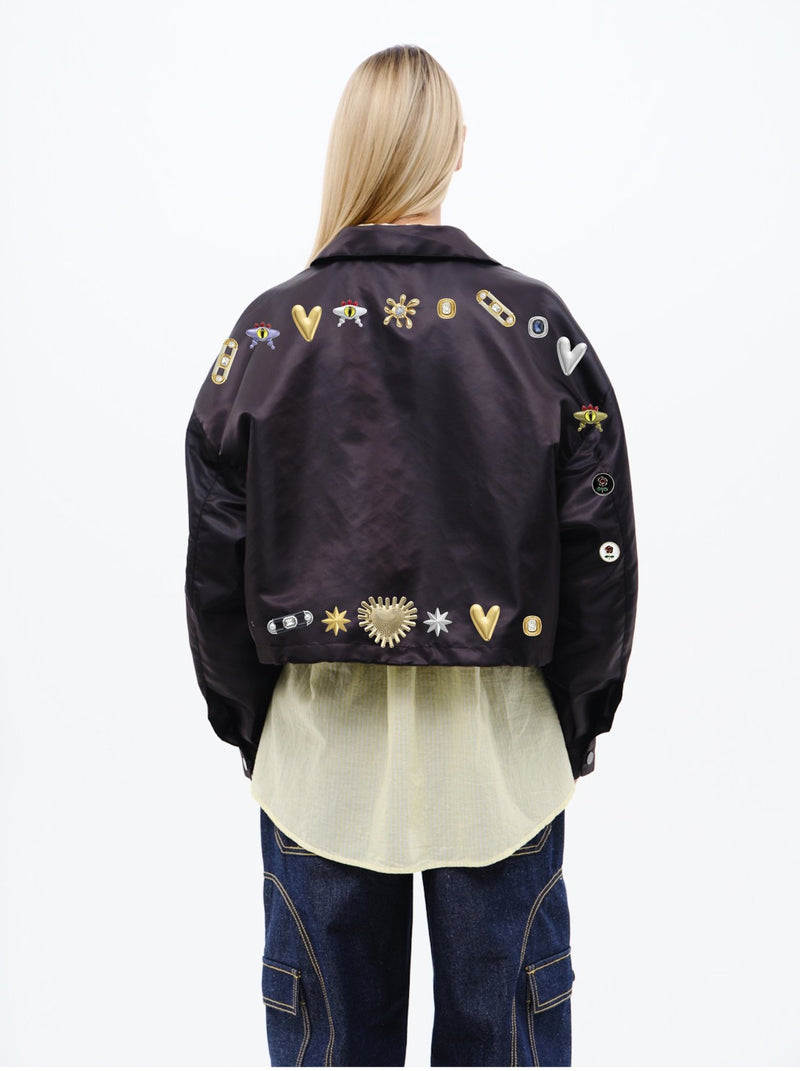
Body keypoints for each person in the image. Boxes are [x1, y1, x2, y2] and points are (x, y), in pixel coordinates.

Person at [184, 44, 637, 1068]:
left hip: (319, 764)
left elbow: (215, 566)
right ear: (454, 148)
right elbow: (599, 554)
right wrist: (572, 723)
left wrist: (255, 725)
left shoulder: (264, 339)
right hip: (499, 762)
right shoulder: (537, 331)